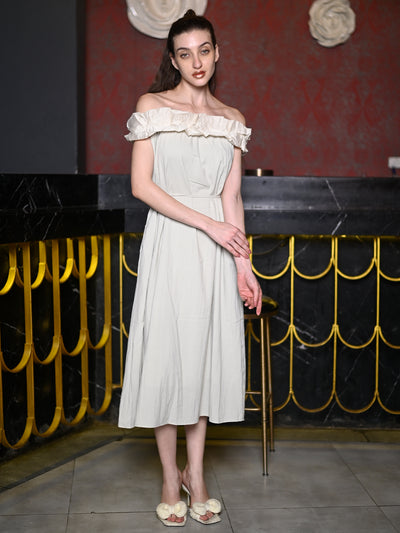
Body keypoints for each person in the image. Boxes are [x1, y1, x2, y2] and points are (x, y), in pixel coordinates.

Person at [118, 9, 262, 527]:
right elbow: (142, 187)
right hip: (172, 243)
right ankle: (167, 476)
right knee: (167, 357)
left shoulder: (232, 119)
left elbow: (232, 199)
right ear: (173, 60)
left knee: (201, 359)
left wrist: (245, 268)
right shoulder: (152, 106)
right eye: (185, 53)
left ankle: (195, 475)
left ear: (217, 53)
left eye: (204, 50)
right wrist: (209, 226)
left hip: (216, 254)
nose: (196, 61)